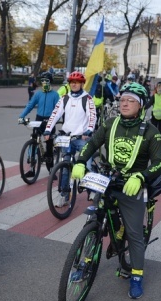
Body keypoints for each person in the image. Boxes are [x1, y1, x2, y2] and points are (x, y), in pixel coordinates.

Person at [71, 82, 161, 299]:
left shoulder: (152, 132)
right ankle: (84, 264)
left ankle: (136, 276)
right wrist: (81, 161)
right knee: (94, 221)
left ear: (141, 105)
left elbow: (160, 162)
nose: (124, 103)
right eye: (122, 99)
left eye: (130, 100)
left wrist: (141, 176)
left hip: (132, 185)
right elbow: (92, 143)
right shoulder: (110, 123)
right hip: (107, 180)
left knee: (134, 234)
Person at [43, 71, 96, 205]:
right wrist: (48, 129)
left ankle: (92, 190)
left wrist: (89, 130)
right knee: (65, 167)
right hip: (66, 138)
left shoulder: (88, 99)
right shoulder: (65, 98)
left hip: (81, 138)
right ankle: (64, 195)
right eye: (72, 82)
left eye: (77, 82)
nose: (74, 84)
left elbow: (92, 117)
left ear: (82, 84)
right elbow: (55, 114)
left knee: (87, 165)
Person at [18, 72, 60, 174]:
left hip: (50, 120)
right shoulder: (38, 94)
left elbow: (59, 110)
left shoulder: (55, 95)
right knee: (34, 140)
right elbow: (30, 105)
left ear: (50, 82)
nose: (44, 83)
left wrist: (58, 119)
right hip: (39, 119)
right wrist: (21, 116)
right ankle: (32, 169)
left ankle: (51, 169)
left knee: (49, 143)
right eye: (42, 81)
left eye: (46, 81)